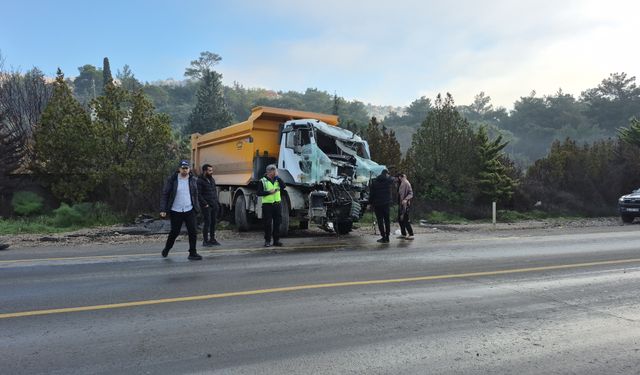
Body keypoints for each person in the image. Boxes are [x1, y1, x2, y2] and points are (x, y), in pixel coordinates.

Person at [160, 160, 203, 260]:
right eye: (183, 168)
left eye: (186, 168)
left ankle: (192, 253)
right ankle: (167, 248)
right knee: (174, 232)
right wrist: (163, 209)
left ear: (189, 169)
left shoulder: (193, 180)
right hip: (176, 210)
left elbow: (197, 195)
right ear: (179, 169)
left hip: (189, 209)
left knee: (193, 231)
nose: (185, 170)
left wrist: (199, 207)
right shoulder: (172, 180)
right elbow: (165, 194)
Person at [256, 164, 286, 247]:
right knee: (267, 223)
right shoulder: (262, 181)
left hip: (277, 204)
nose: (276, 172)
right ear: (270, 172)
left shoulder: (277, 180)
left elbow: (284, 186)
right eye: (275, 171)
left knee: (277, 223)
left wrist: (278, 178)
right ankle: (267, 241)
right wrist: (269, 192)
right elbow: (258, 193)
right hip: (267, 205)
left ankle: (276, 240)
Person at [198, 163, 221, 247]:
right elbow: (198, 194)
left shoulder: (212, 179)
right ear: (205, 171)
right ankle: (205, 241)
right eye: (210, 170)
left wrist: (216, 203)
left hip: (214, 204)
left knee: (213, 222)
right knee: (207, 222)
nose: (212, 172)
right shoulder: (200, 180)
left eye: (212, 170)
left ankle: (212, 239)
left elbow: (214, 192)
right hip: (206, 205)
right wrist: (205, 204)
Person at [369, 169, 394, 243]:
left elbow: (371, 195)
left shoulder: (374, 182)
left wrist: (370, 203)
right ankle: (387, 236)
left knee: (380, 221)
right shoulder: (387, 181)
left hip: (377, 204)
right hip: (386, 204)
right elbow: (392, 178)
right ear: (386, 174)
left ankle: (383, 237)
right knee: (387, 220)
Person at [397, 173, 414, 240]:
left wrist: (406, 199)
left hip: (405, 205)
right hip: (401, 204)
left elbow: (411, 193)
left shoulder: (406, 183)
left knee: (405, 219)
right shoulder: (401, 183)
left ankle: (411, 234)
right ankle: (403, 234)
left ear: (400, 177)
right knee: (400, 219)